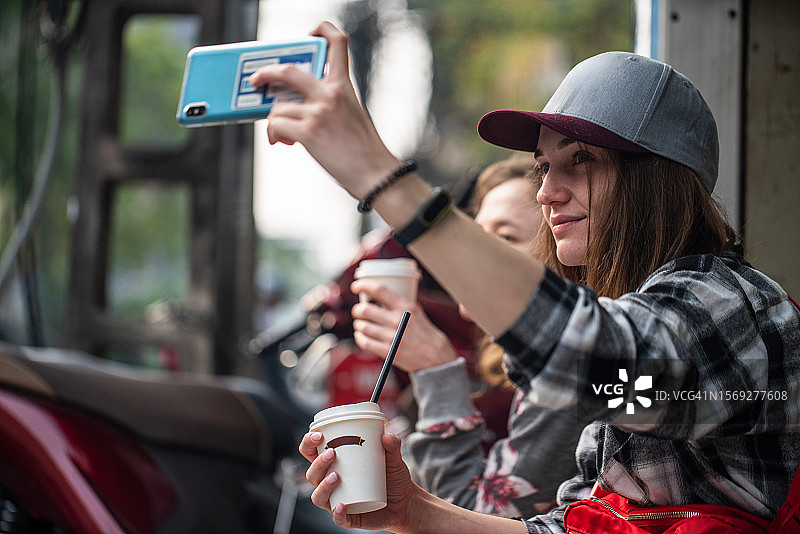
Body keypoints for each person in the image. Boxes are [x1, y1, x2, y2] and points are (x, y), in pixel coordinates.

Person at [250, 21, 800, 534]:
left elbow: (587, 367)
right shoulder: (638, 323)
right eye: (543, 167)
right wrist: (412, 509)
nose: (546, 193)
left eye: (580, 159)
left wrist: (380, 176)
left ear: (658, 179)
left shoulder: (735, 307)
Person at [351, 157, 582, 517]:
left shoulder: (571, 368)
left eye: (506, 237)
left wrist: (436, 370)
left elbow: (477, 515)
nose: (473, 258)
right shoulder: (506, 359)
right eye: (475, 237)